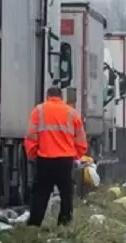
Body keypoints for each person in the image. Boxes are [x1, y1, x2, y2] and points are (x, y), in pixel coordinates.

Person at [24, 87, 88, 226]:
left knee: (40, 194)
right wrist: (75, 155)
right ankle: (64, 223)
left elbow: (31, 136)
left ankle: (34, 224)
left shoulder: (39, 111)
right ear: (61, 97)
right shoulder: (71, 113)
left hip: (45, 160)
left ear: (48, 96)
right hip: (65, 161)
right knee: (66, 194)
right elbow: (81, 140)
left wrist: (34, 155)